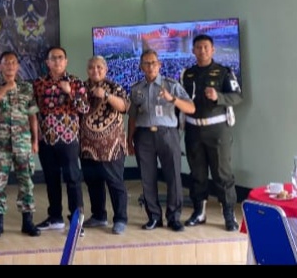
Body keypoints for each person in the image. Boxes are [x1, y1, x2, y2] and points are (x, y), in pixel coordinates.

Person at [181, 34, 243, 231]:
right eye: (198, 47)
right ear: (193, 50)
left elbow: (237, 96)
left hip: (217, 130)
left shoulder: (224, 72)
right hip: (193, 129)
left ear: (213, 50)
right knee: (197, 174)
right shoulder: (187, 74)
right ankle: (199, 212)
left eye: (206, 47)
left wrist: (219, 96)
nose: (202, 51)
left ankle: (229, 215)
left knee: (222, 174)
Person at [128, 49, 195, 232]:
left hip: (167, 134)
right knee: (147, 178)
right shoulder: (136, 89)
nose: (150, 66)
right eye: (146, 63)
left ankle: (174, 217)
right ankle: (154, 217)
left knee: (173, 176)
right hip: (143, 135)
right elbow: (132, 117)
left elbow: (190, 108)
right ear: (141, 67)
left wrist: (172, 99)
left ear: (159, 65)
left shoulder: (171, 85)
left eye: (153, 63)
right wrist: (129, 139)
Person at [0, 51, 41, 238]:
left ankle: (28, 222)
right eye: (6, 63)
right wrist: (5, 88)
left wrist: (35, 140)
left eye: (13, 63)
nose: (10, 66)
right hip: (1, 146)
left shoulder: (26, 87)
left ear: (18, 66)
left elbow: (32, 115)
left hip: (23, 143)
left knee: (26, 183)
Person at [32, 47, 89, 233]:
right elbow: (33, 111)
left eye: (60, 58)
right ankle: (55, 217)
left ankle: (77, 221)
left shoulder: (76, 82)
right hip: (46, 139)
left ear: (66, 61)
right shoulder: (39, 83)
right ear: (47, 62)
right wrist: (36, 136)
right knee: (51, 179)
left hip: (68, 138)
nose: (57, 61)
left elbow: (84, 108)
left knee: (73, 179)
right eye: (53, 58)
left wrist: (70, 92)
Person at [79, 55, 131, 235]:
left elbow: (124, 107)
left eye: (99, 67)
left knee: (115, 183)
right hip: (87, 146)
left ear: (106, 69)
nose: (95, 70)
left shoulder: (114, 87)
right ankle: (99, 216)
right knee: (93, 183)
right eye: (91, 67)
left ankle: (120, 219)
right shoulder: (82, 88)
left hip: (111, 147)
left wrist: (106, 95)